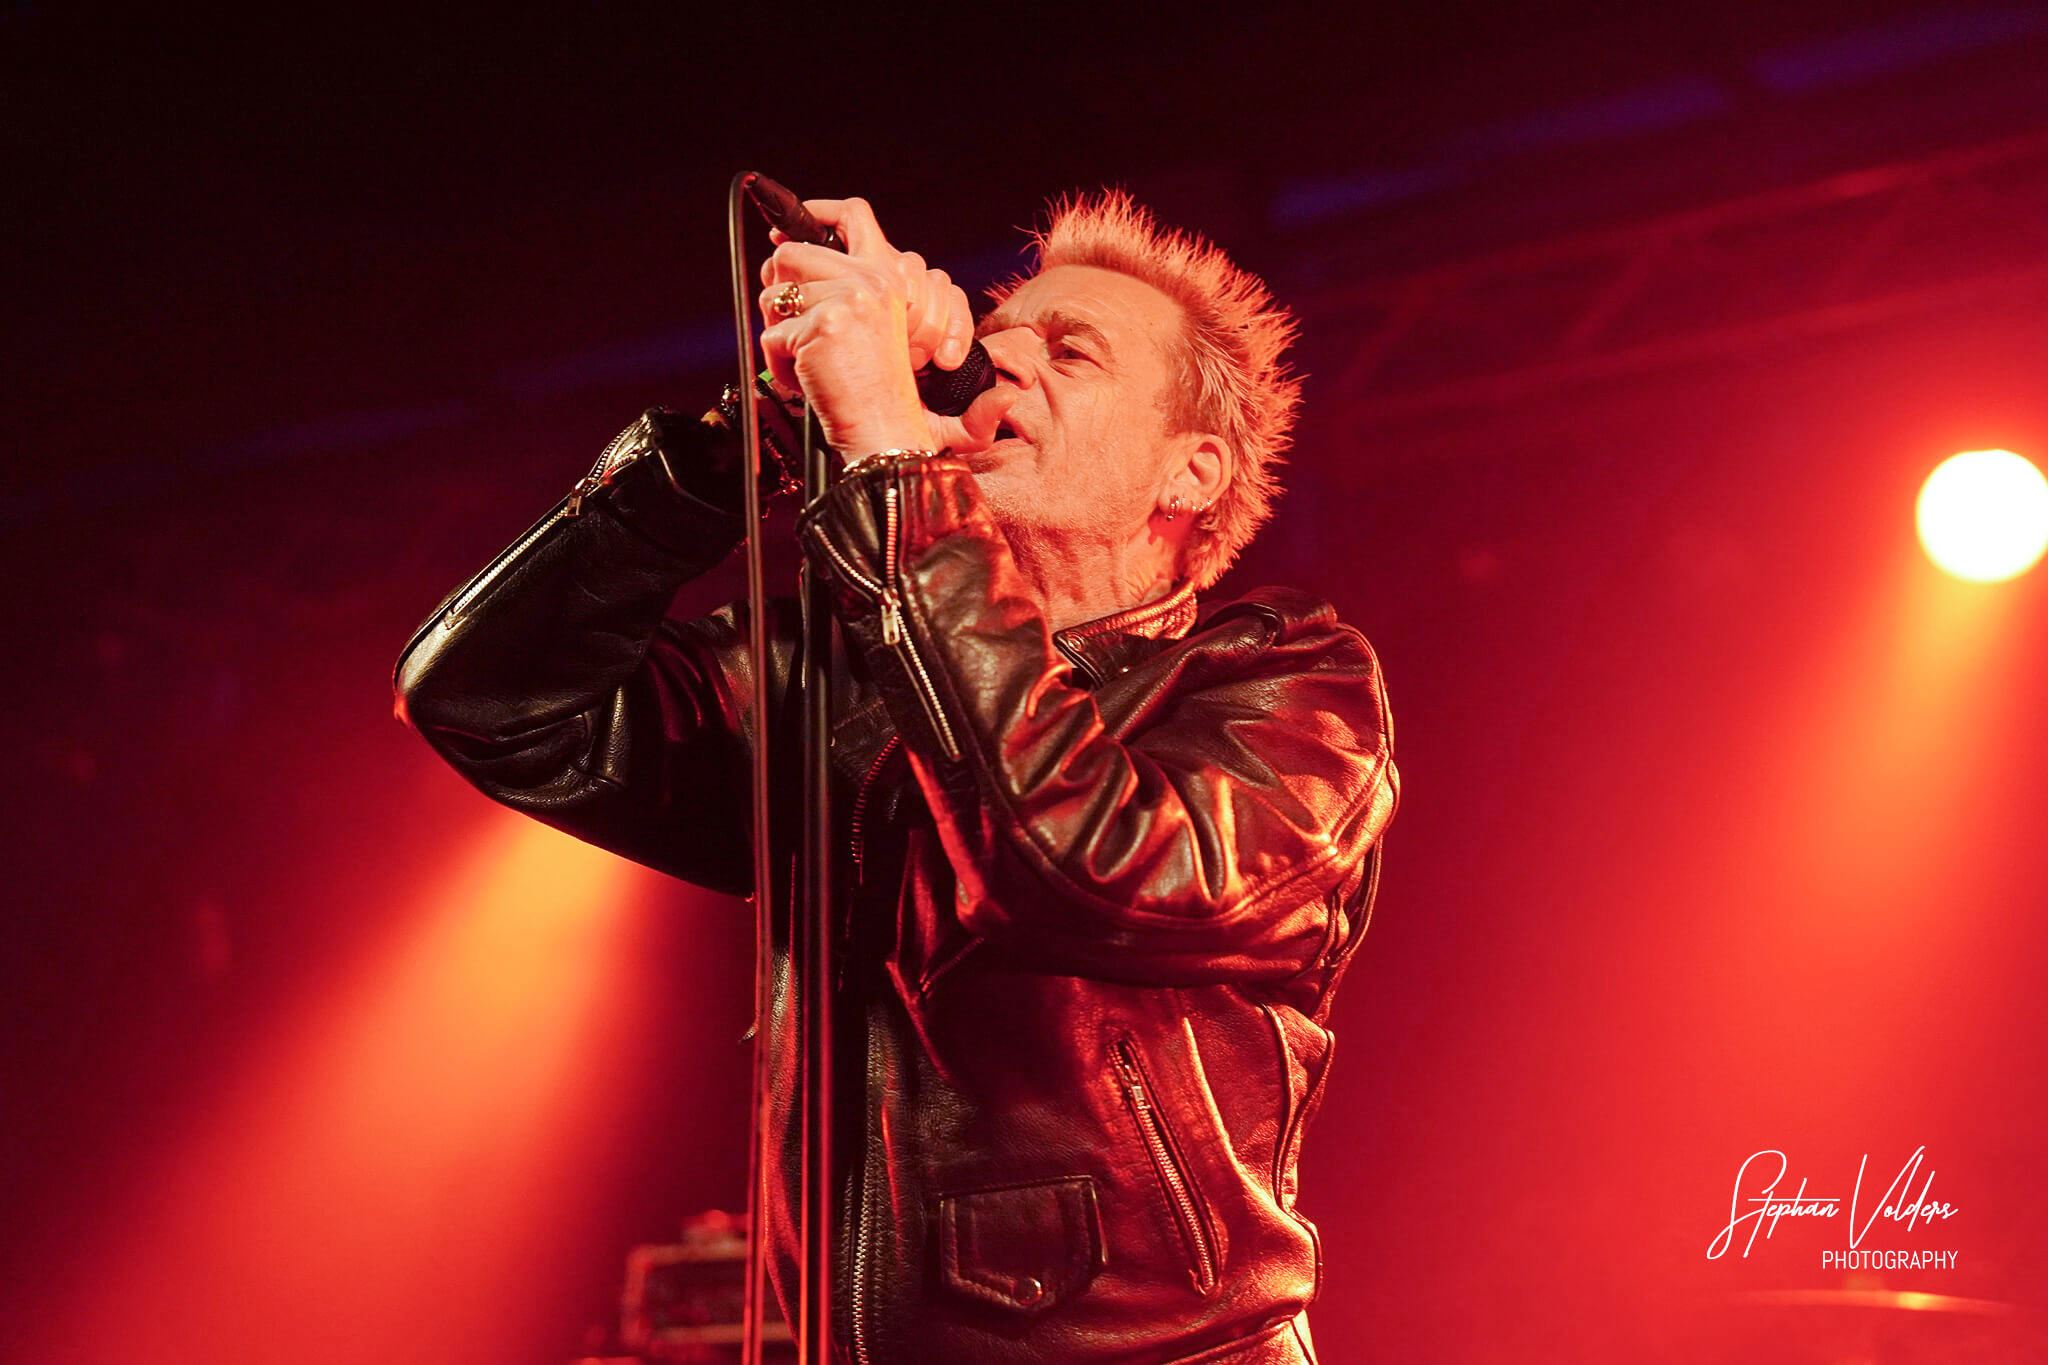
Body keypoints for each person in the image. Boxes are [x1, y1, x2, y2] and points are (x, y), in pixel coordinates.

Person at [394, 189, 1399, 1364]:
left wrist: (887, 454)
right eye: (996, 336)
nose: (1000, 360)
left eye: (1070, 352)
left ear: (1190, 472)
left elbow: (1086, 866)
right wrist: (745, 444)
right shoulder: (836, 676)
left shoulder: (1288, 686)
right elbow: (488, 702)